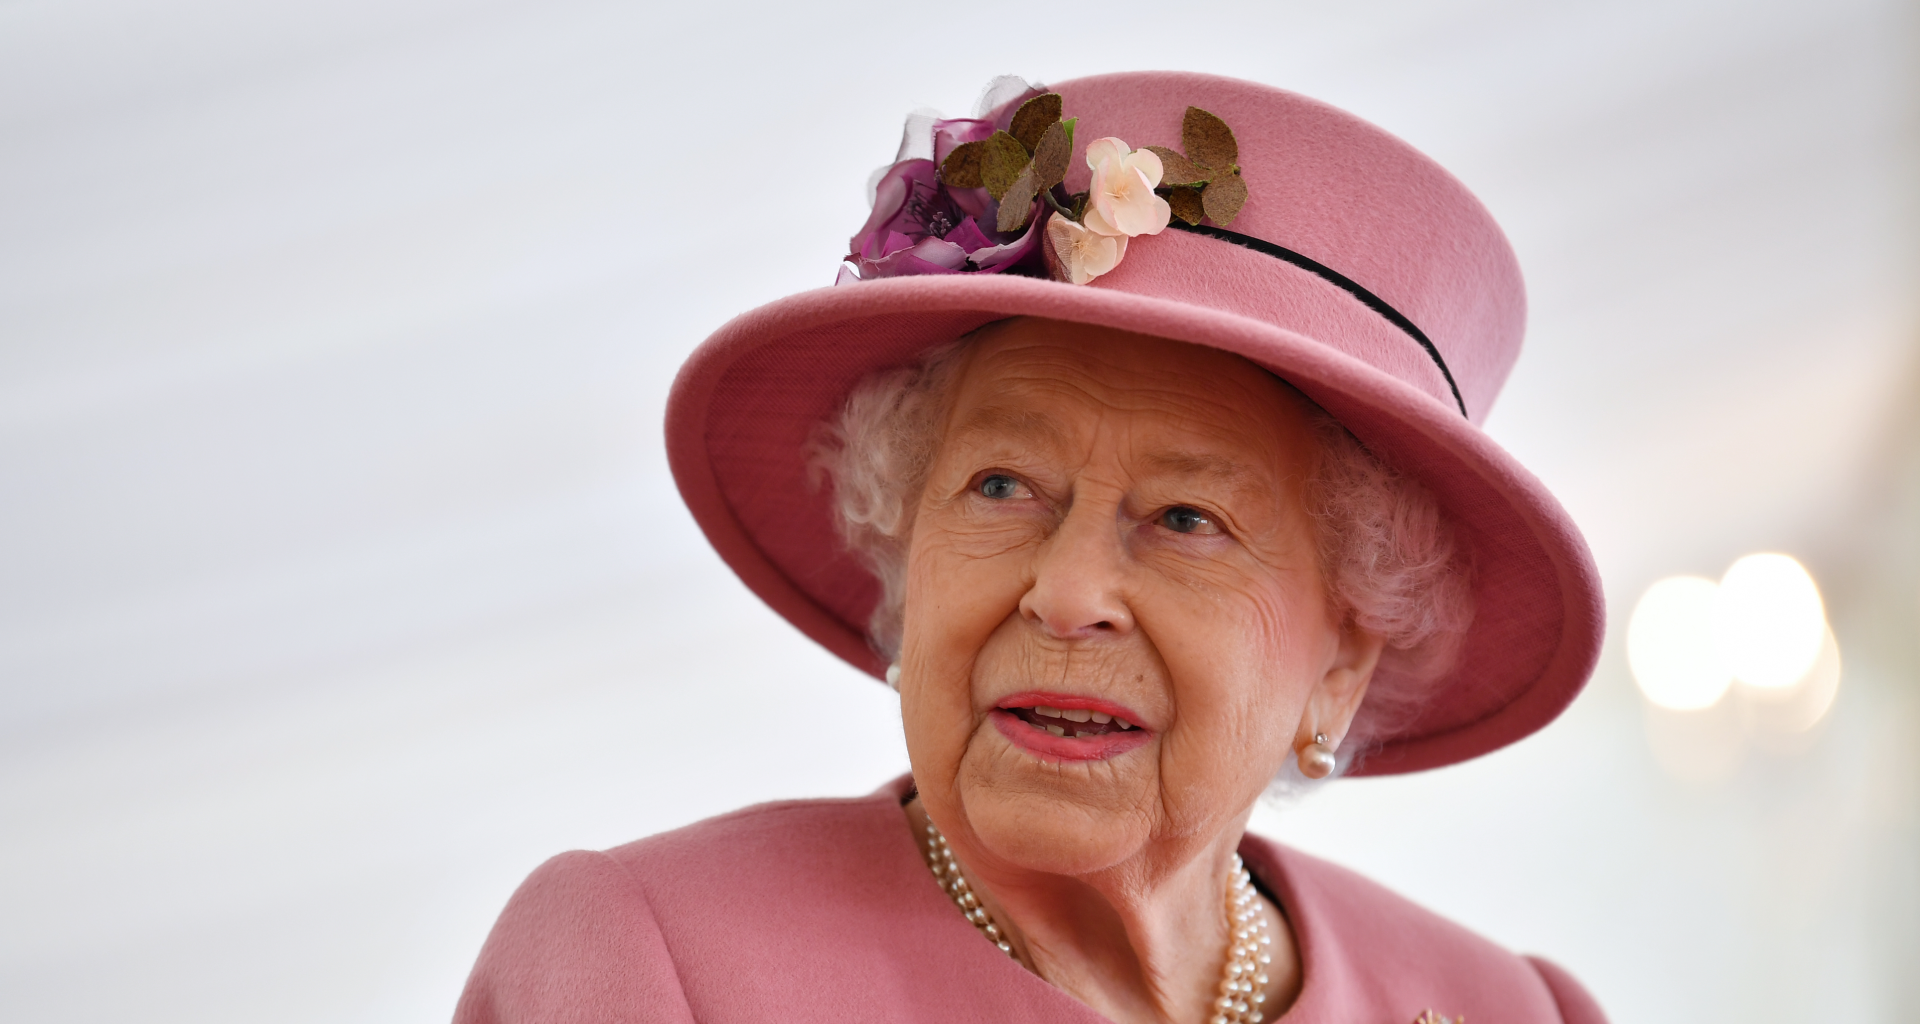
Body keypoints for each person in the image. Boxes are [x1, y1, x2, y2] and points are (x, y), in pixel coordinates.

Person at [454, 71, 1608, 1024]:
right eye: (1001, 485)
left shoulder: (1506, 1008)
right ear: (907, 561)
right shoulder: (650, 966)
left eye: (1185, 519)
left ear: (1345, 654)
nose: (1065, 593)